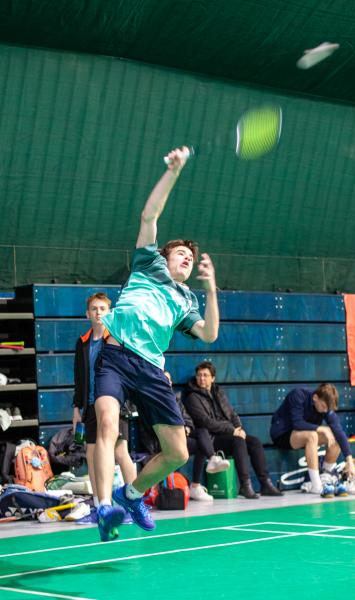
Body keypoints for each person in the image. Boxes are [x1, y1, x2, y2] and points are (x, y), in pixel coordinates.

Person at [94, 147, 219, 541]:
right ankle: (104, 508)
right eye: (180, 253)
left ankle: (130, 495)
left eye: (190, 257)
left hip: (150, 368)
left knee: (178, 452)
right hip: (116, 355)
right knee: (108, 425)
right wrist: (174, 171)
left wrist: (211, 289)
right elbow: (149, 216)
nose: (186, 258)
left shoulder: (186, 300)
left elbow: (209, 335)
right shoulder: (147, 264)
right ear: (164, 257)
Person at [72, 292, 137, 523]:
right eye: (94, 309)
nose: (98, 312)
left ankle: (134, 504)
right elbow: (79, 377)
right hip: (90, 406)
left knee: (120, 453)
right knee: (92, 455)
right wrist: (77, 408)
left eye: (102, 309)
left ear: (109, 313)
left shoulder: (117, 339)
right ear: (87, 314)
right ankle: (100, 506)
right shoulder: (82, 342)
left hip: (115, 405)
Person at [184, 361, 282, 499]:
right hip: (211, 439)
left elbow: (232, 413)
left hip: (227, 433)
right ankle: (245, 485)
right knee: (237, 441)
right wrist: (232, 431)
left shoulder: (219, 393)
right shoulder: (192, 397)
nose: (201, 378)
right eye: (199, 375)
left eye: (205, 375)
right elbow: (205, 422)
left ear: (213, 378)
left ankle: (265, 483)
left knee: (254, 442)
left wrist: (239, 428)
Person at [138, 371, 230, 501]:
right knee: (201, 438)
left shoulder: (175, 399)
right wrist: (179, 430)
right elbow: (154, 428)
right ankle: (212, 459)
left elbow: (187, 419)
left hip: (178, 436)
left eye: (169, 380)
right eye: (164, 380)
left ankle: (197, 484)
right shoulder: (150, 401)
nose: (167, 383)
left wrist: (186, 428)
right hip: (160, 442)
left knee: (202, 438)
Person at [270, 384, 355, 494]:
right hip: (282, 433)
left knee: (335, 435)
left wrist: (350, 461)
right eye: (323, 406)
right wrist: (321, 429)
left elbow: (339, 431)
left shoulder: (324, 407)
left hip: (305, 434)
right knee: (312, 435)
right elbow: (297, 423)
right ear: (315, 397)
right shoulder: (298, 395)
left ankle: (325, 477)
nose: (325, 411)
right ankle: (316, 485)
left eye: (327, 409)